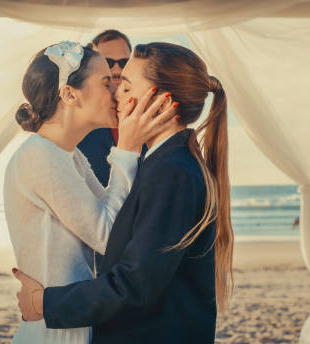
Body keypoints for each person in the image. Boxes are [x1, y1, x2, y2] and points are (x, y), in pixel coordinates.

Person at [13, 42, 235, 344]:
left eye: (125, 86)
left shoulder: (173, 170)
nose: (116, 94)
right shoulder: (165, 163)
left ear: (160, 101)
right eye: (110, 83)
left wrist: (44, 303)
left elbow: (134, 282)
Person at [77, 30, 136, 187]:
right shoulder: (78, 120)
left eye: (124, 62)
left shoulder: (147, 114)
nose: (117, 70)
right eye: (108, 62)